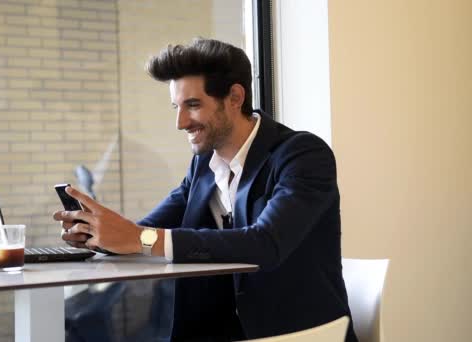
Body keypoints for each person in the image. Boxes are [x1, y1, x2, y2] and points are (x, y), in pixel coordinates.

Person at [54, 38, 357, 342]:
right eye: (176, 107)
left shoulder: (302, 155)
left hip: (298, 335)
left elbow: (265, 244)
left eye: (193, 105)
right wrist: (100, 234)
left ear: (235, 97)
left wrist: (138, 238)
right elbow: (145, 231)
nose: (180, 122)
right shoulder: (203, 166)